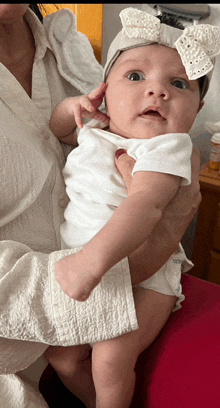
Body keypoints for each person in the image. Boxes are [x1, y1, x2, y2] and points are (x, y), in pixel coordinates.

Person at [0, 4, 204, 408]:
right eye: (135, 77)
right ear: (105, 90)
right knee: (64, 356)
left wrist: (92, 263)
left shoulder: (166, 148)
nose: (157, 91)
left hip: (142, 279)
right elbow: (56, 130)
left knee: (111, 359)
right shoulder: (102, 128)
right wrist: (69, 110)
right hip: (76, 285)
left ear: (198, 109)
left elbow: (146, 204)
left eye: (180, 84)